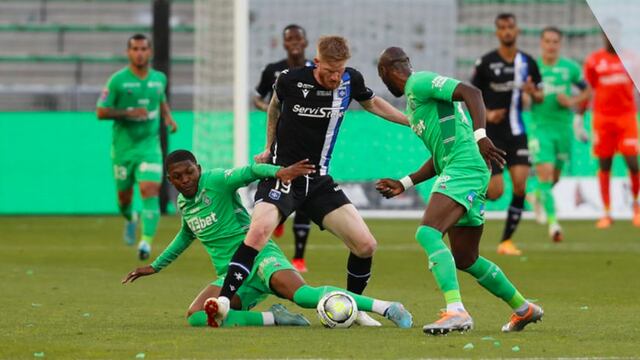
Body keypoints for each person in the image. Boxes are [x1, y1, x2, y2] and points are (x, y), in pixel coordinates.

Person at [210, 35, 409, 327]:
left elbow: (373, 103)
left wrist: (409, 121)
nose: (335, 77)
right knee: (259, 231)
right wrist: (268, 148)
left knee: (366, 245)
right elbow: (274, 107)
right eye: (329, 71)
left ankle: (352, 308)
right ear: (316, 63)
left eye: (339, 71)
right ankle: (225, 298)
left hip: (317, 180)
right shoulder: (290, 79)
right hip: (283, 174)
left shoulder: (350, 80)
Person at [122, 150, 413, 329]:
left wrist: (279, 172)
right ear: (170, 181)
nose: (186, 179)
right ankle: (277, 319)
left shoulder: (216, 181)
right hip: (231, 274)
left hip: (259, 258)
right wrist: (156, 266)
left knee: (304, 296)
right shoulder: (184, 205)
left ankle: (386, 306)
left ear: (198, 168)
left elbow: (250, 171)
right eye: (178, 176)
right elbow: (186, 235)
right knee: (197, 316)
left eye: (190, 171)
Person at [376, 47, 543, 335]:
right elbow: (440, 155)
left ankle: (456, 311)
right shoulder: (414, 106)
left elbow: (472, 92)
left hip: (465, 166)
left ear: (387, 72)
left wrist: (481, 135)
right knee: (466, 257)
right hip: (462, 166)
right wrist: (405, 182)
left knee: (427, 232)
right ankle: (523, 308)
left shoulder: (419, 82)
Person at [96, 33, 177, 260]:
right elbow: (101, 111)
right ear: (128, 52)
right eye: (135, 49)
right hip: (123, 149)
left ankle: (146, 243)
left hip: (149, 146)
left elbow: (159, 99)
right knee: (124, 198)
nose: (140, 53)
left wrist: (168, 117)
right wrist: (128, 112)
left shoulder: (159, 78)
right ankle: (130, 218)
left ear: (149, 52)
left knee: (149, 190)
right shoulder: (117, 81)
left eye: (143, 49)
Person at [471, 13, 543, 255]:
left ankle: (506, 242)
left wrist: (533, 92)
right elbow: (471, 96)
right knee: (495, 192)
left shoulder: (528, 62)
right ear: (497, 33)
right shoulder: (485, 63)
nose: (507, 32)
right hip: (492, 136)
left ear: (517, 30)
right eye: (502, 28)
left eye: (510, 27)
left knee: (521, 185)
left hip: (517, 133)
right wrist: (488, 114)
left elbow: (540, 96)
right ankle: (467, 205)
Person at [253, 24, 314, 272]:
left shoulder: (315, 69)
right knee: (280, 185)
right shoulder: (274, 71)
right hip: (281, 141)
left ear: (306, 41)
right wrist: (270, 110)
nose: (295, 42)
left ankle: (299, 257)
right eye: (290, 39)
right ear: (284, 43)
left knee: (305, 190)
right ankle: (277, 218)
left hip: (308, 140)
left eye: (299, 38)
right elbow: (257, 97)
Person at [528, 27, 591, 241]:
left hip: (563, 129)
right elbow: (527, 98)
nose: (551, 45)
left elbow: (587, 91)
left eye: (555, 41)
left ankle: (536, 195)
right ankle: (554, 224)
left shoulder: (570, 68)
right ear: (541, 43)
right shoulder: (533, 67)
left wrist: (572, 101)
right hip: (540, 129)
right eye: (547, 41)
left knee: (554, 177)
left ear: (560, 44)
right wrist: (534, 95)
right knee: (544, 173)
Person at [584, 31, 640, 228]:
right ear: (603, 36)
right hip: (602, 119)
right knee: (605, 165)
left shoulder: (632, 60)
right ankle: (606, 213)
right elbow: (588, 89)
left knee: (633, 162)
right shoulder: (594, 61)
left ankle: (636, 207)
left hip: (626, 118)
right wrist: (578, 116)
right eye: (608, 35)